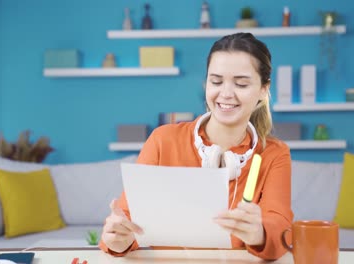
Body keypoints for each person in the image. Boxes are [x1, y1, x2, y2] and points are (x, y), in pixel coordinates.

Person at [99, 32, 293, 260]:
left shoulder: (274, 153)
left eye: (241, 83)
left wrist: (260, 232)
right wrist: (119, 239)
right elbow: (126, 222)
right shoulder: (163, 140)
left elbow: (280, 227)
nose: (226, 93)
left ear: (263, 89)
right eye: (216, 81)